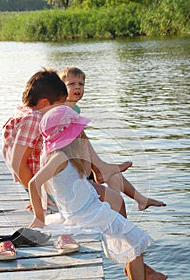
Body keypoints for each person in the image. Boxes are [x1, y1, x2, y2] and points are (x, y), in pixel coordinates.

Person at [2, 68, 167, 280]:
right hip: (55, 187)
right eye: (58, 105)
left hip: (56, 177)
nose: (60, 109)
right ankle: (133, 266)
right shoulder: (34, 118)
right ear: (44, 103)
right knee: (114, 202)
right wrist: (42, 202)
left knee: (113, 198)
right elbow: (17, 164)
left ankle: (133, 263)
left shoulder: (25, 112)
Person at [28, 104, 165, 280]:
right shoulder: (60, 158)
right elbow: (34, 183)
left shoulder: (59, 156)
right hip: (86, 214)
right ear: (69, 136)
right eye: (78, 132)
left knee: (126, 227)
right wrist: (38, 217)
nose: (82, 134)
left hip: (85, 209)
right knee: (134, 240)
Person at [59, 66, 166, 211]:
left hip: (85, 162)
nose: (77, 88)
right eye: (71, 84)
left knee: (114, 176)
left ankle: (139, 200)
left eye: (81, 84)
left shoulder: (75, 109)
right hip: (74, 167)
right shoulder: (63, 111)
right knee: (111, 175)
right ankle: (107, 188)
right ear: (60, 88)